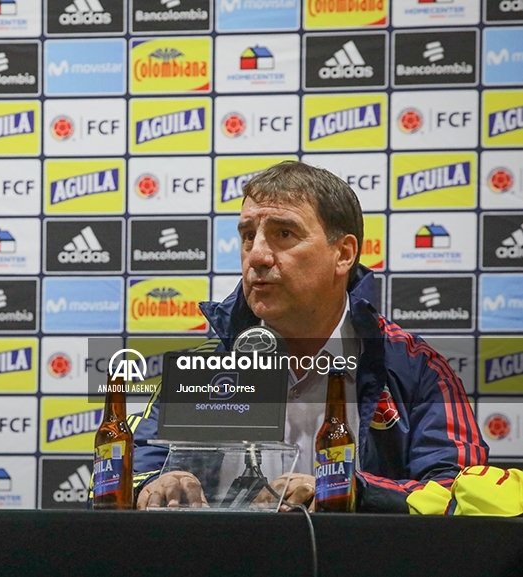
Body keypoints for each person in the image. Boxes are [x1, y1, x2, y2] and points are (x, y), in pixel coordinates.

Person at [130, 160, 488, 513]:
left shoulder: (416, 369)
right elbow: (120, 473)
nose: (256, 255)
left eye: (283, 234)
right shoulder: (206, 367)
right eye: (248, 236)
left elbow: (460, 494)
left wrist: (353, 491)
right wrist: (151, 486)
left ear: (343, 254)